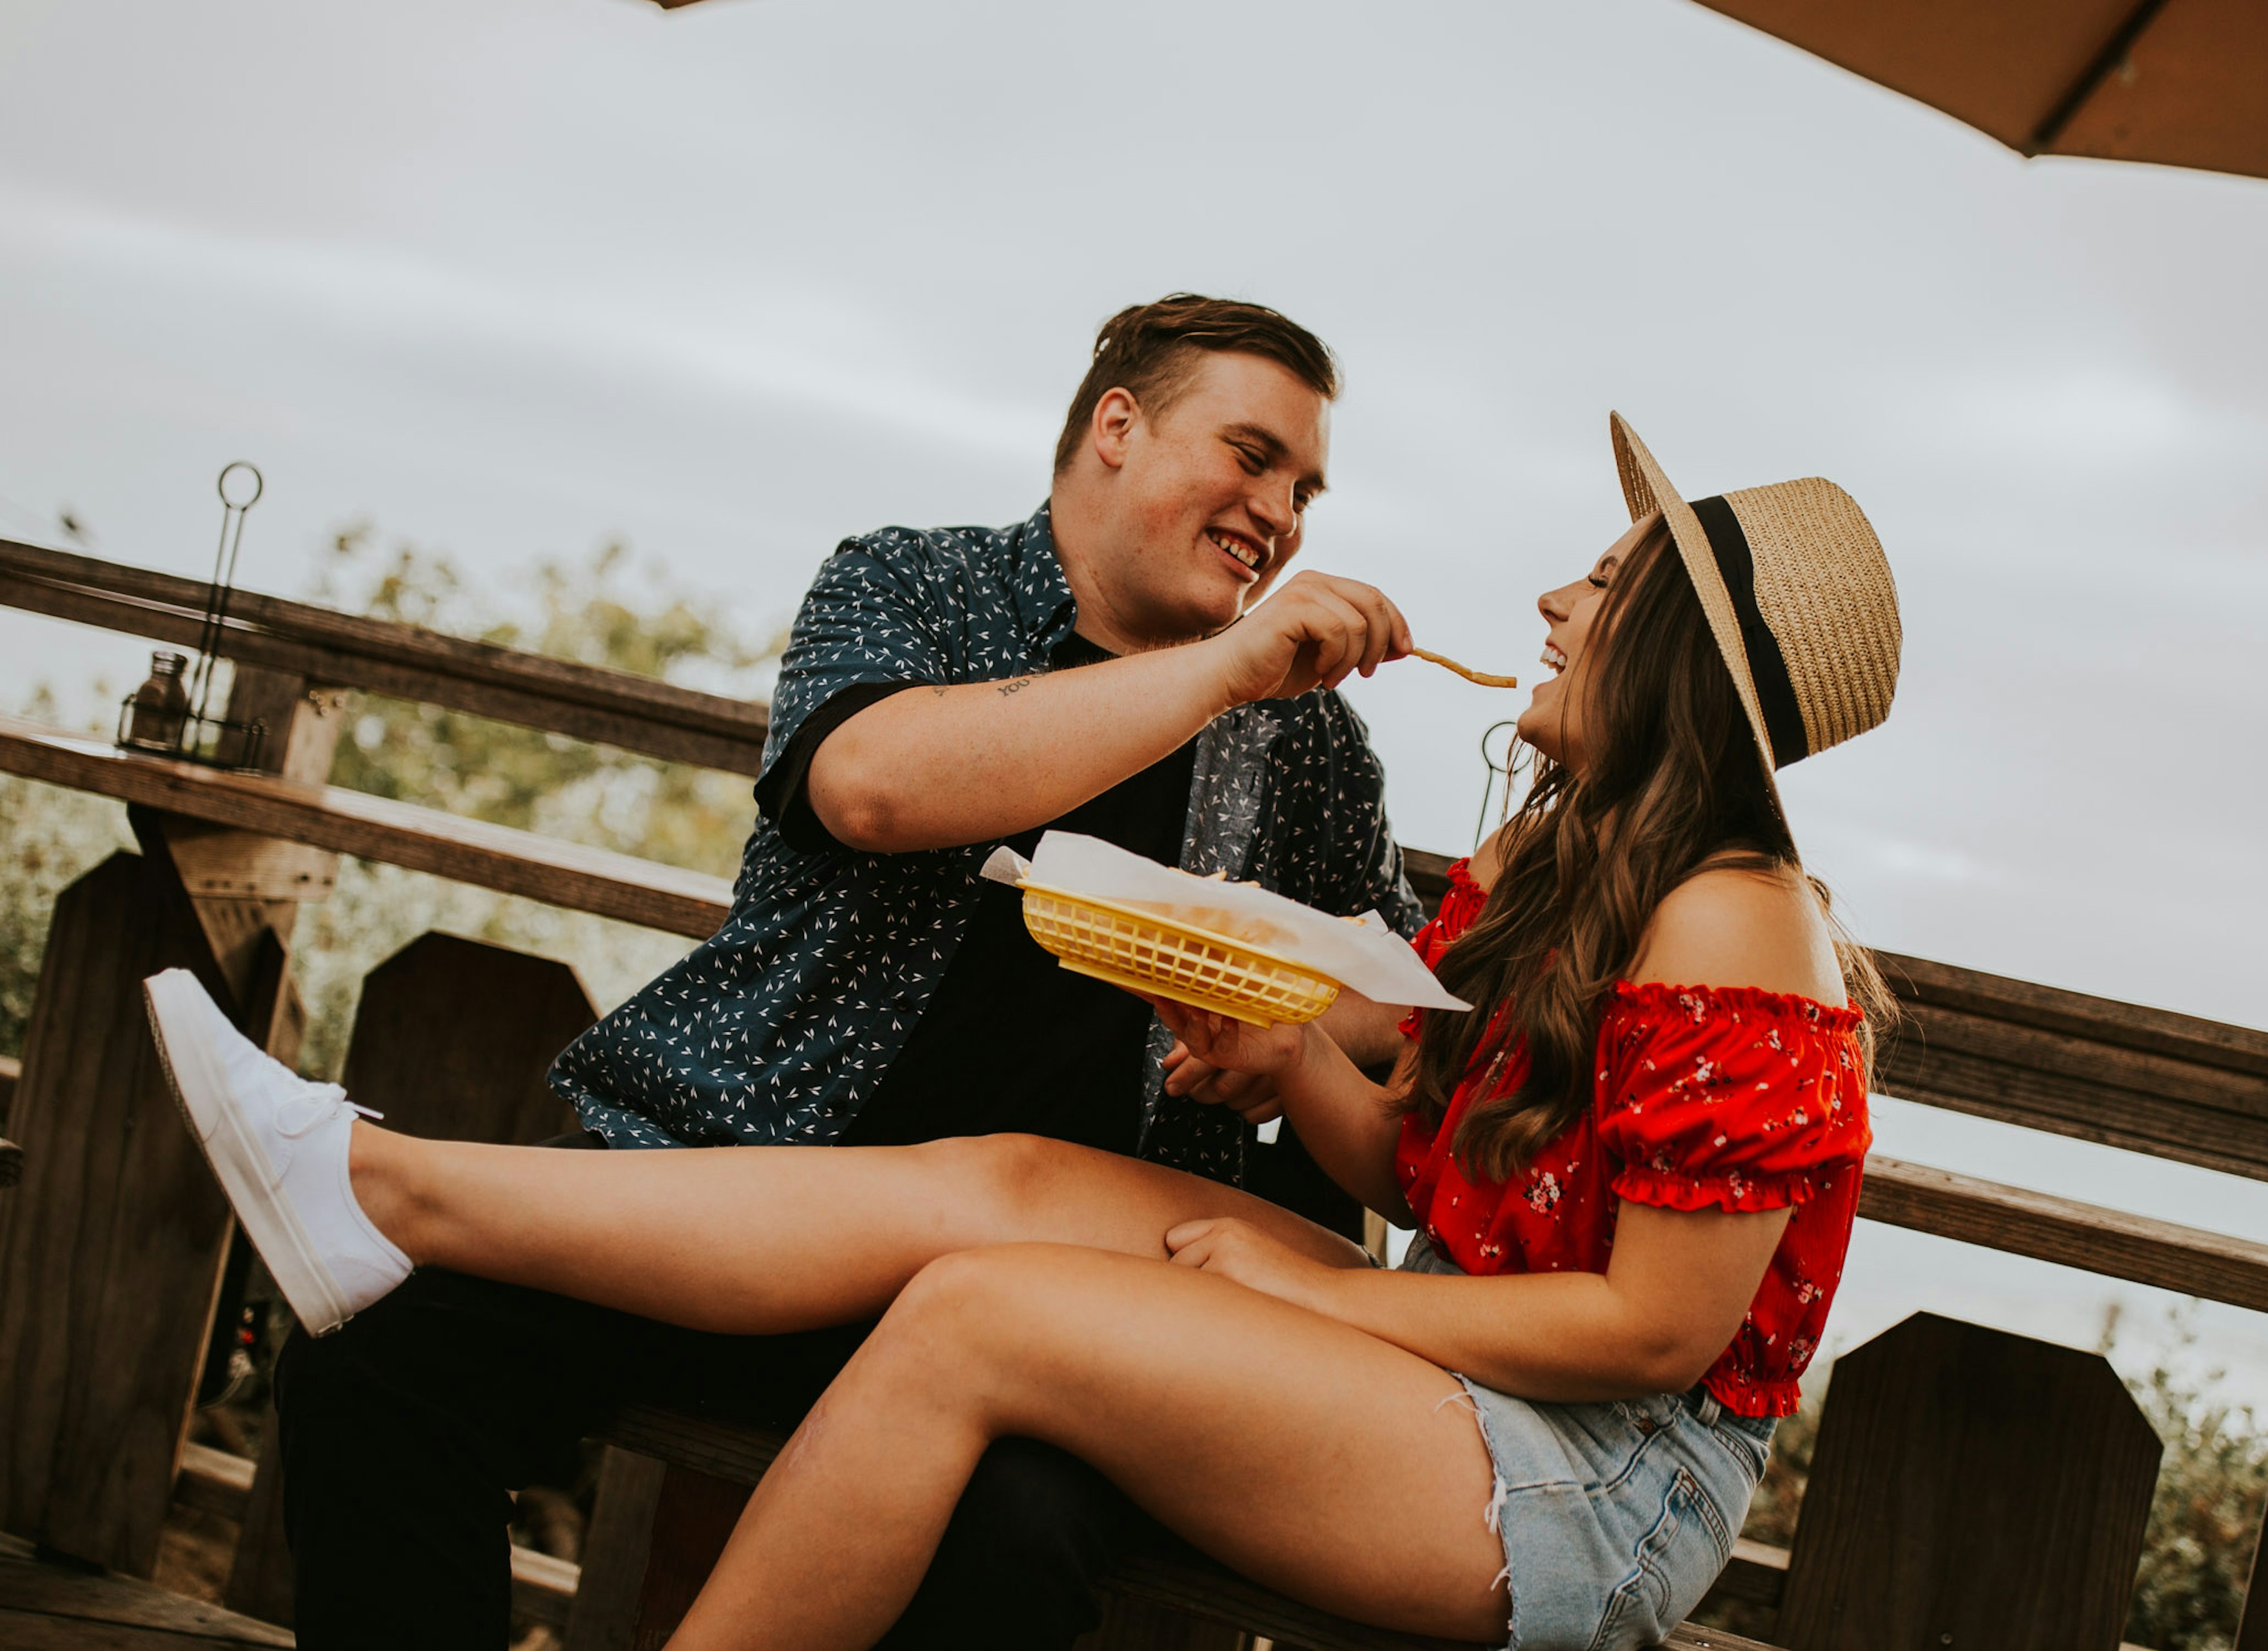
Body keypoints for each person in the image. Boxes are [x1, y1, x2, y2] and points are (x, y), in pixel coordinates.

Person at [157, 414, 1902, 1649]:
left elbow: (1657, 1331)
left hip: (1594, 1476)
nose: (1555, 604)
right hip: (1461, 1349)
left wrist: (1315, 1287)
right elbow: (1443, 1174)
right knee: (1003, 1181)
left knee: (979, 1316)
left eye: (1603, 585)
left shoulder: (1741, 919)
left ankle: (376, 1189)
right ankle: (379, 1184)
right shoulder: (1559, 863)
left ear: (1676, 647)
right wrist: (1291, 1061)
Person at [266, 293, 1432, 1650]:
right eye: (1250, 453)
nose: (1280, 513)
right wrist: (1217, 671)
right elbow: (866, 786)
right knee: (375, 1356)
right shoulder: (912, 583)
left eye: (1304, 487)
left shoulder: (1313, 745)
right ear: (1119, 425)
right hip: (742, 1210)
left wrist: (1283, 1018)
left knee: (1016, 1545)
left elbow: (1396, 1019)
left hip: (1060, 1308)